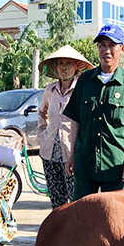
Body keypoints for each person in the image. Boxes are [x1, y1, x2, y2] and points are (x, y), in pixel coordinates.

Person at [63, 24, 124, 199]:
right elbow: (76, 121)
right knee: (82, 216)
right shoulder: (84, 81)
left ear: (122, 49)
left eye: (112, 45)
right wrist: (72, 155)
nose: (106, 50)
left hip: (116, 166)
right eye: (102, 45)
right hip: (85, 164)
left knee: (113, 219)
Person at [37, 45, 93, 207]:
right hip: (50, 153)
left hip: (72, 153)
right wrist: (42, 134)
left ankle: (75, 232)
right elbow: (42, 113)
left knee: (75, 200)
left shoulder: (82, 89)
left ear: (77, 67)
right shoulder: (50, 90)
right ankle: (59, 231)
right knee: (56, 199)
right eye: (60, 63)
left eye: (68, 63)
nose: (64, 67)